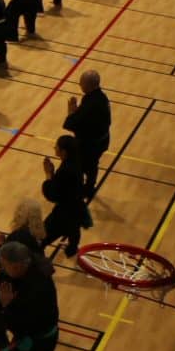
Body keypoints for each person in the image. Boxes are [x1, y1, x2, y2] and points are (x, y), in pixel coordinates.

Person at [40, 136, 92, 258]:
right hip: (77, 206)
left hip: (64, 212)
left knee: (42, 238)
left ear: (64, 151)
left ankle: (40, 265)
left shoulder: (65, 171)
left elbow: (52, 195)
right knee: (74, 229)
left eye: (56, 147)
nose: (55, 148)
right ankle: (72, 249)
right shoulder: (75, 161)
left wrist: (48, 174)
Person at [65, 70, 112, 201]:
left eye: (82, 83)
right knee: (92, 165)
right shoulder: (101, 97)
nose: (80, 85)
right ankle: (89, 187)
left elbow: (71, 124)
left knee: (81, 165)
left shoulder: (91, 103)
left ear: (89, 85)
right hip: (102, 140)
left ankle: (82, 189)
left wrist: (72, 111)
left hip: (90, 144)